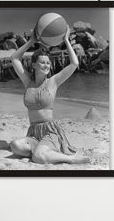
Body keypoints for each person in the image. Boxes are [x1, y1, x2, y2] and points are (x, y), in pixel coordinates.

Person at [9, 26, 90, 164]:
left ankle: (71, 159)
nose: (46, 65)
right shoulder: (28, 81)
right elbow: (15, 59)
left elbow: (74, 63)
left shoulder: (53, 82)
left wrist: (66, 40)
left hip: (50, 131)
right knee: (15, 145)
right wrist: (31, 41)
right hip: (33, 133)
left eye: (48, 63)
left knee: (38, 157)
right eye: (42, 62)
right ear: (34, 65)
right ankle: (43, 151)